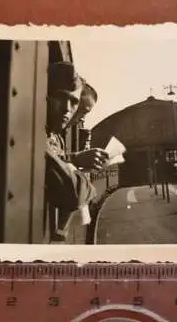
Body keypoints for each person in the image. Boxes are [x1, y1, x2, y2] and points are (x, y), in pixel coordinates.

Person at [44, 62, 107, 242]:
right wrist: (76, 163)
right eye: (59, 97)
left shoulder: (57, 138)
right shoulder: (39, 135)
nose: (67, 110)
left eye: (73, 102)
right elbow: (76, 190)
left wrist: (74, 161)